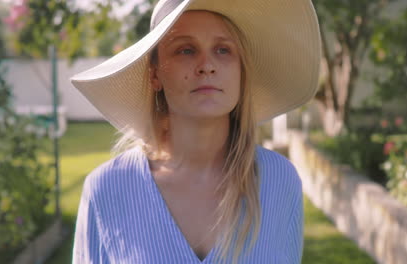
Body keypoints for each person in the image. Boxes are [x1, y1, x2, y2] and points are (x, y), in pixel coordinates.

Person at [70, 0, 321, 263]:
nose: (207, 65)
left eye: (223, 50)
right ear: (155, 74)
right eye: (186, 50)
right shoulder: (107, 189)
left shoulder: (280, 181)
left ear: (241, 72)